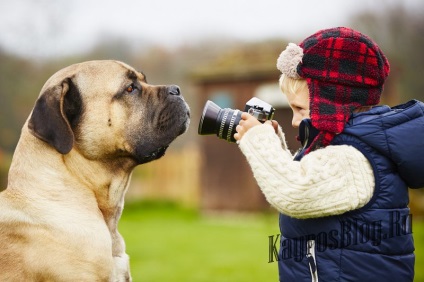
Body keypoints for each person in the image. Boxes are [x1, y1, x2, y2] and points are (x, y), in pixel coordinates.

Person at [234, 27, 424, 282]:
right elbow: (311, 180)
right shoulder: (353, 148)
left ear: (331, 102)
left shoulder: (353, 158)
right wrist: (277, 148)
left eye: (300, 108)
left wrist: (258, 141)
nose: (294, 121)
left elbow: (295, 191)